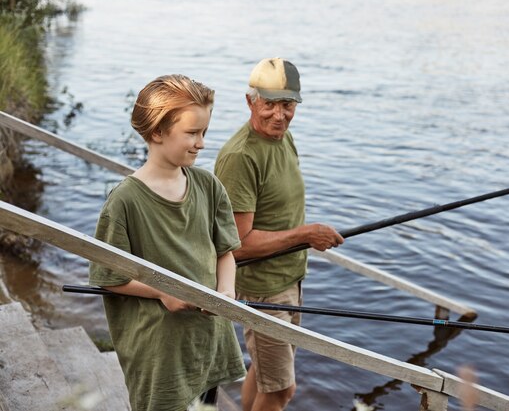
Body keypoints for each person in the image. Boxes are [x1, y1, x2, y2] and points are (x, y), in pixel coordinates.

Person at [89, 74, 245, 411]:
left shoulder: (208, 185)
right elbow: (108, 277)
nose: (201, 143)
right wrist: (162, 291)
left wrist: (226, 292)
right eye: (191, 133)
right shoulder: (125, 202)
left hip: (206, 338)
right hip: (159, 351)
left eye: (204, 132)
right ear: (157, 132)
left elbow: (225, 253)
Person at [214, 57, 345, 411]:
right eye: (268, 104)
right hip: (263, 290)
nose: (279, 114)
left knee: (264, 373)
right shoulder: (240, 157)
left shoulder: (284, 139)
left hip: (290, 280)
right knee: (281, 391)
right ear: (249, 101)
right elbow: (236, 245)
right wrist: (306, 235)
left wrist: (304, 238)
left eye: (287, 105)